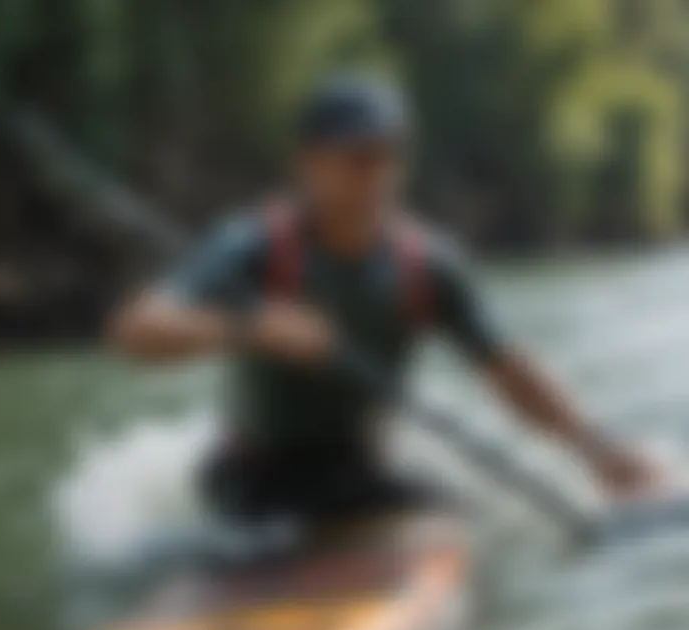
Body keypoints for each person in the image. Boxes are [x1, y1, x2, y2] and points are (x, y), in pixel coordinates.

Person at [108, 74, 657, 540]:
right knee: (292, 522)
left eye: (388, 155)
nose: (376, 174)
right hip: (252, 477)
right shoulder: (253, 247)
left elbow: (508, 370)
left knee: (458, 522)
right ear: (308, 164)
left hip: (358, 471)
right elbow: (136, 332)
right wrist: (251, 328)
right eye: (357, 157)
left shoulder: (428, 266)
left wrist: (597, 451)